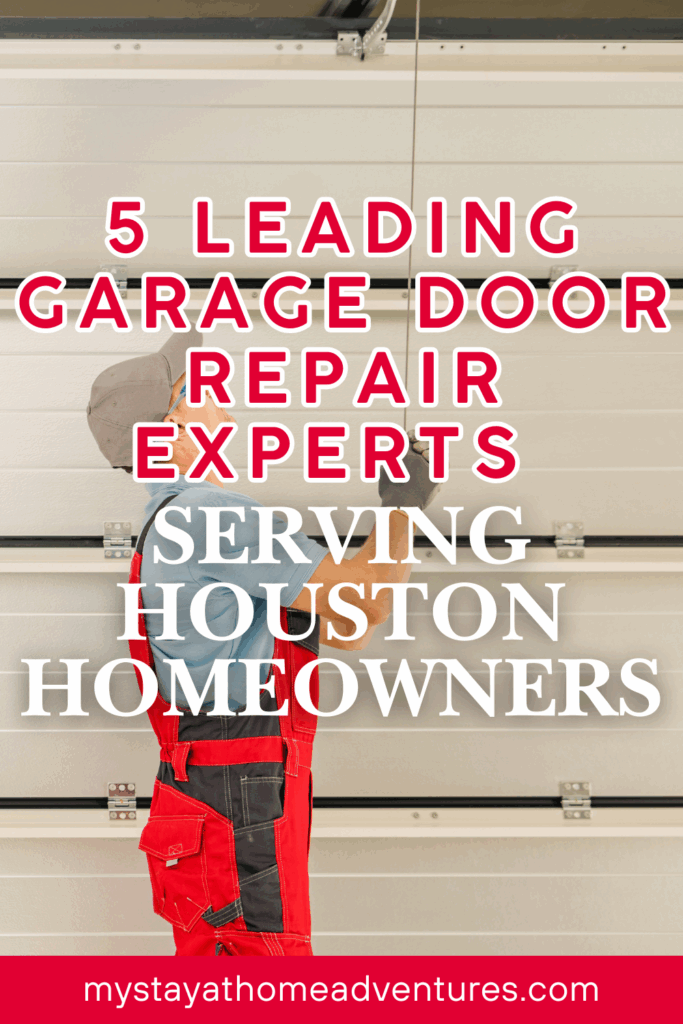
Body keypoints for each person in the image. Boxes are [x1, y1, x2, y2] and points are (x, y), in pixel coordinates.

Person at [87, 327, 440, 956]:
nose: (223, 401)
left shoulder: (162, 523)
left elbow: (341, 625)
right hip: (239, 786)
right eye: (198, 391)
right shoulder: (208, 514)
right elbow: (361, 607)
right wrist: (404, 506)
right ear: (167, 430)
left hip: (204, 784)